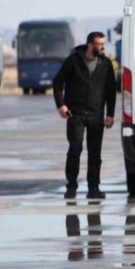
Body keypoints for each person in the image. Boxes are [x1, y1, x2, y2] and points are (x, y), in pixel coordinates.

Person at [52, 32, 116, 200]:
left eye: (104, 44)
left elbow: (111, 90)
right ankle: (71, 187)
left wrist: (110, 114)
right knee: (75, 148)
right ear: (90, 45)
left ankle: (93, 187)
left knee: (95, 153)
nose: (103, 47)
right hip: (76, 113)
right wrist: (61, 105)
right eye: (99, 44)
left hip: (96, 114)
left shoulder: (106, 63)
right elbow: (58, 82)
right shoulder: (73, 60)